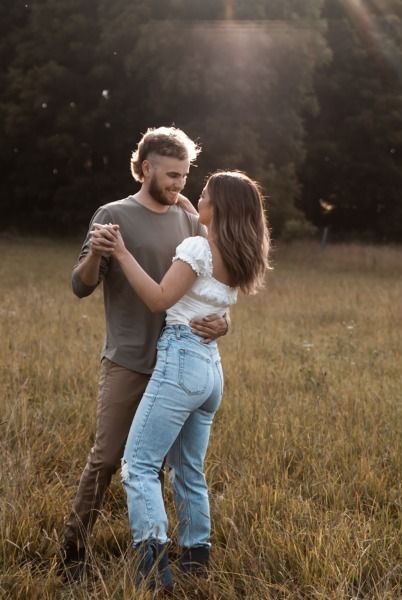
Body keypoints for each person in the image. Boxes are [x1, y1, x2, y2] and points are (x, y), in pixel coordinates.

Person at [59, 127, 229, 580]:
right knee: (108, 457)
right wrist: (96, 254)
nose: (179, 184)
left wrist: (225, 323)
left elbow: (212, 287)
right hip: (129, 359)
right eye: (172, 174)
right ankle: (73, 548)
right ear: (146, 168)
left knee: (172, 466)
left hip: (178, 364)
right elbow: (80, 286)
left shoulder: (190, 221)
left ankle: (172, 554)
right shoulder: (113, 214)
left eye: (185, 176)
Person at [97, 170, 271, 591]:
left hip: (180, 360)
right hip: (210, 371)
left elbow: (159, 299)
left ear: (219, 208)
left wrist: (121, 252)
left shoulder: (197, 246)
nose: (196, 197)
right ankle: (196, 557)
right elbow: (199, 218)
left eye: (204, 194)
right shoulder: (238, 251)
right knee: (189, 470)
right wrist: (187, 205)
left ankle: (153, 567)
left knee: (138, 465)